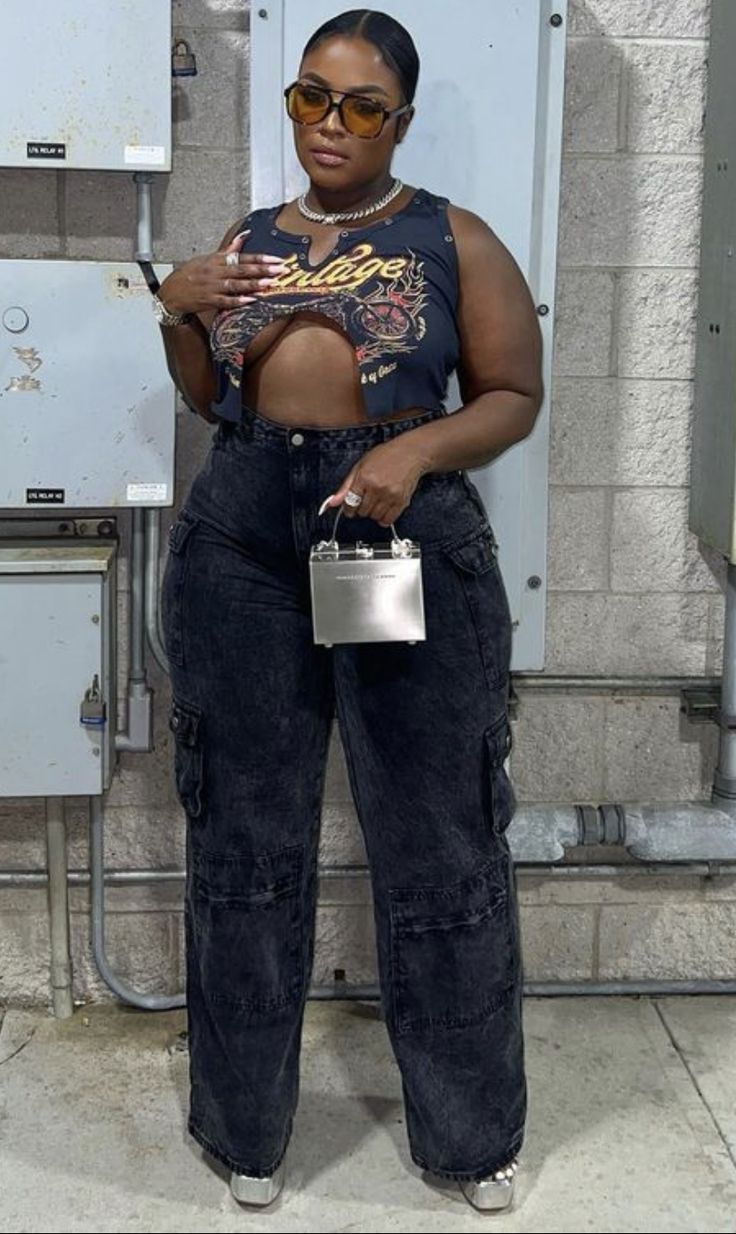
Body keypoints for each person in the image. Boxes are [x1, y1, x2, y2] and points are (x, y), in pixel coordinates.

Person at [155, 7, 542, 1213]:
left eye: (361, 105)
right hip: (245, 539)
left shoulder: (453, 238)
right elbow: (208, 393)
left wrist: (416, 451)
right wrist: (179, 304)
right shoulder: (251, 239)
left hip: (397, 531)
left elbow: (515, 393)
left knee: (438, 841)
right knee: (245, 842)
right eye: (311, 97)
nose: (331, 123)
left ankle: (470, 1139)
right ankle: (246, 1135)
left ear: (401, 120)